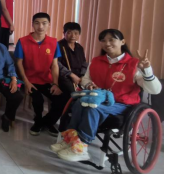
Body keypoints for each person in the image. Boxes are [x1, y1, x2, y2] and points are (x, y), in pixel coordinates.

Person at [53, 29, 161, 162]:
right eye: (103, 40)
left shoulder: (134, 64)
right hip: (99, 98)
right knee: (78, 103)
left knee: (92, 107)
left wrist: (147, 70)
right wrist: (89, 85)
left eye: (111, 40)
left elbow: (155, 90)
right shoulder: (96, 61)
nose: (107, 43)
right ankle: (70, 139)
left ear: (122, 42)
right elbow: (85, 79)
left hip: (122, 104)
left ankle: (82, 147)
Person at [14, 12, 69, 137]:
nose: (40, 26)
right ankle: (38, 122)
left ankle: (47, 122)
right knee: (38, 99)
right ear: (32, 24)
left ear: (49, 25)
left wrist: (55, 83)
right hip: (29, 79)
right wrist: (26, 82)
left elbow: (54, 65)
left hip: (46, 80)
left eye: (44, 23)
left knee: (62, 99)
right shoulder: (23, 41)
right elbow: (19, 63)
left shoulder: (53, 42)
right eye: (37, 23)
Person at [57, 22, 89, 97]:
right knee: (72, 94)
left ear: (79, 34)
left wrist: (82, 76)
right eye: (69, 33)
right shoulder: (58, 46)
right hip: (64, 76)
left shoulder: (79, 47)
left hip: (79, 76)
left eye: (76, 33)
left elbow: (84, 63)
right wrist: (71, 75)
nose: (73, 36)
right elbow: (57, 64)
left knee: (88, 92)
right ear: (64, 33)